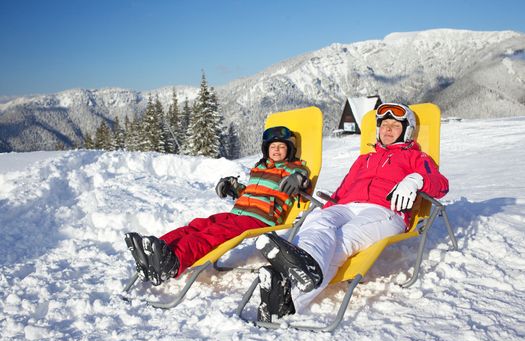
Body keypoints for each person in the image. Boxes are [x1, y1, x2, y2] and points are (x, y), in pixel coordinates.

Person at [255, 102, 449, 322]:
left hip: (385, 211)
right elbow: (343, 190)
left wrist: (417, 179)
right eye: (384, 124)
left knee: (344, 237)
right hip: (346, 206)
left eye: (395, 126)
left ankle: (290, 298)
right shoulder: (364, 159)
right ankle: (297, 284)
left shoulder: (416, 158)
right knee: (318, 220)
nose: (387, 129)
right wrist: (326, 205)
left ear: (406, 131)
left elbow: (440, 185)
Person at [124, 126, 311, 286]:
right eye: (273, 146)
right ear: (266, 149)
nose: (276, 150)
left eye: (281, 147)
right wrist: (234, 187)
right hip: (239, 213)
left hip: (259, 219)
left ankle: (174, 261)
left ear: (290, 150)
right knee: (198, 225)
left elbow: (303, 179)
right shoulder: (261, 168)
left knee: (212, 234)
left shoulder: (292, 169)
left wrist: (297, 178)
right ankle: (157, 251)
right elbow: (252, 192)